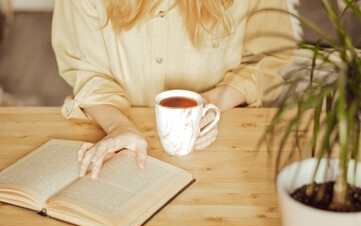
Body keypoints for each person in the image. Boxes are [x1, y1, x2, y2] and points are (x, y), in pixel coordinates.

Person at [52, 0, 296, 178]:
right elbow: (87, 70)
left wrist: (212, 103)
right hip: (122, 149)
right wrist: (119, 126)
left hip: (218, 148)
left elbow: (268, 60)